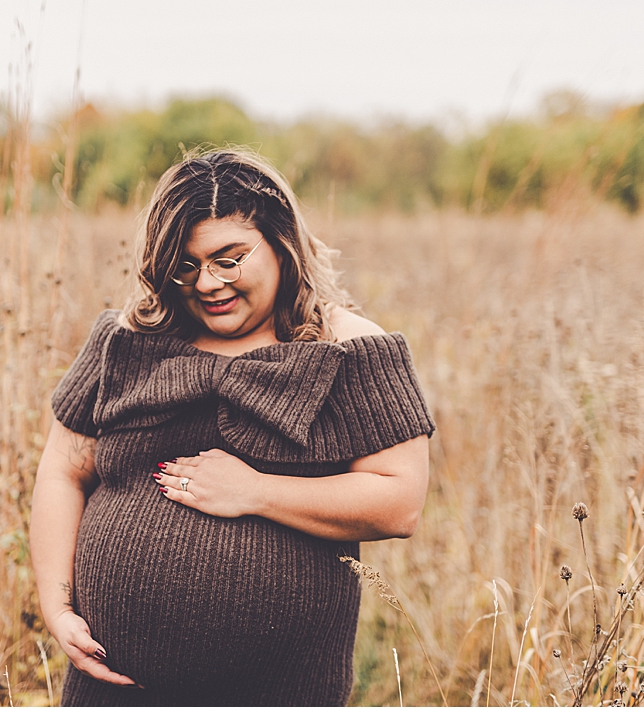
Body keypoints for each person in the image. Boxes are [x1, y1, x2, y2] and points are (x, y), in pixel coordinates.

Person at [30, 148, 435, 705]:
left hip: (280, 689)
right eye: (187, 264)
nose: (207, 284)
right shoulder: (129, 339)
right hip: (114, 685)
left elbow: (401, 502)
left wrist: (257, 492)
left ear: (281, 243)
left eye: (229, 258)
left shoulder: (348, 347)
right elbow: (62, 471)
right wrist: (57, 606)